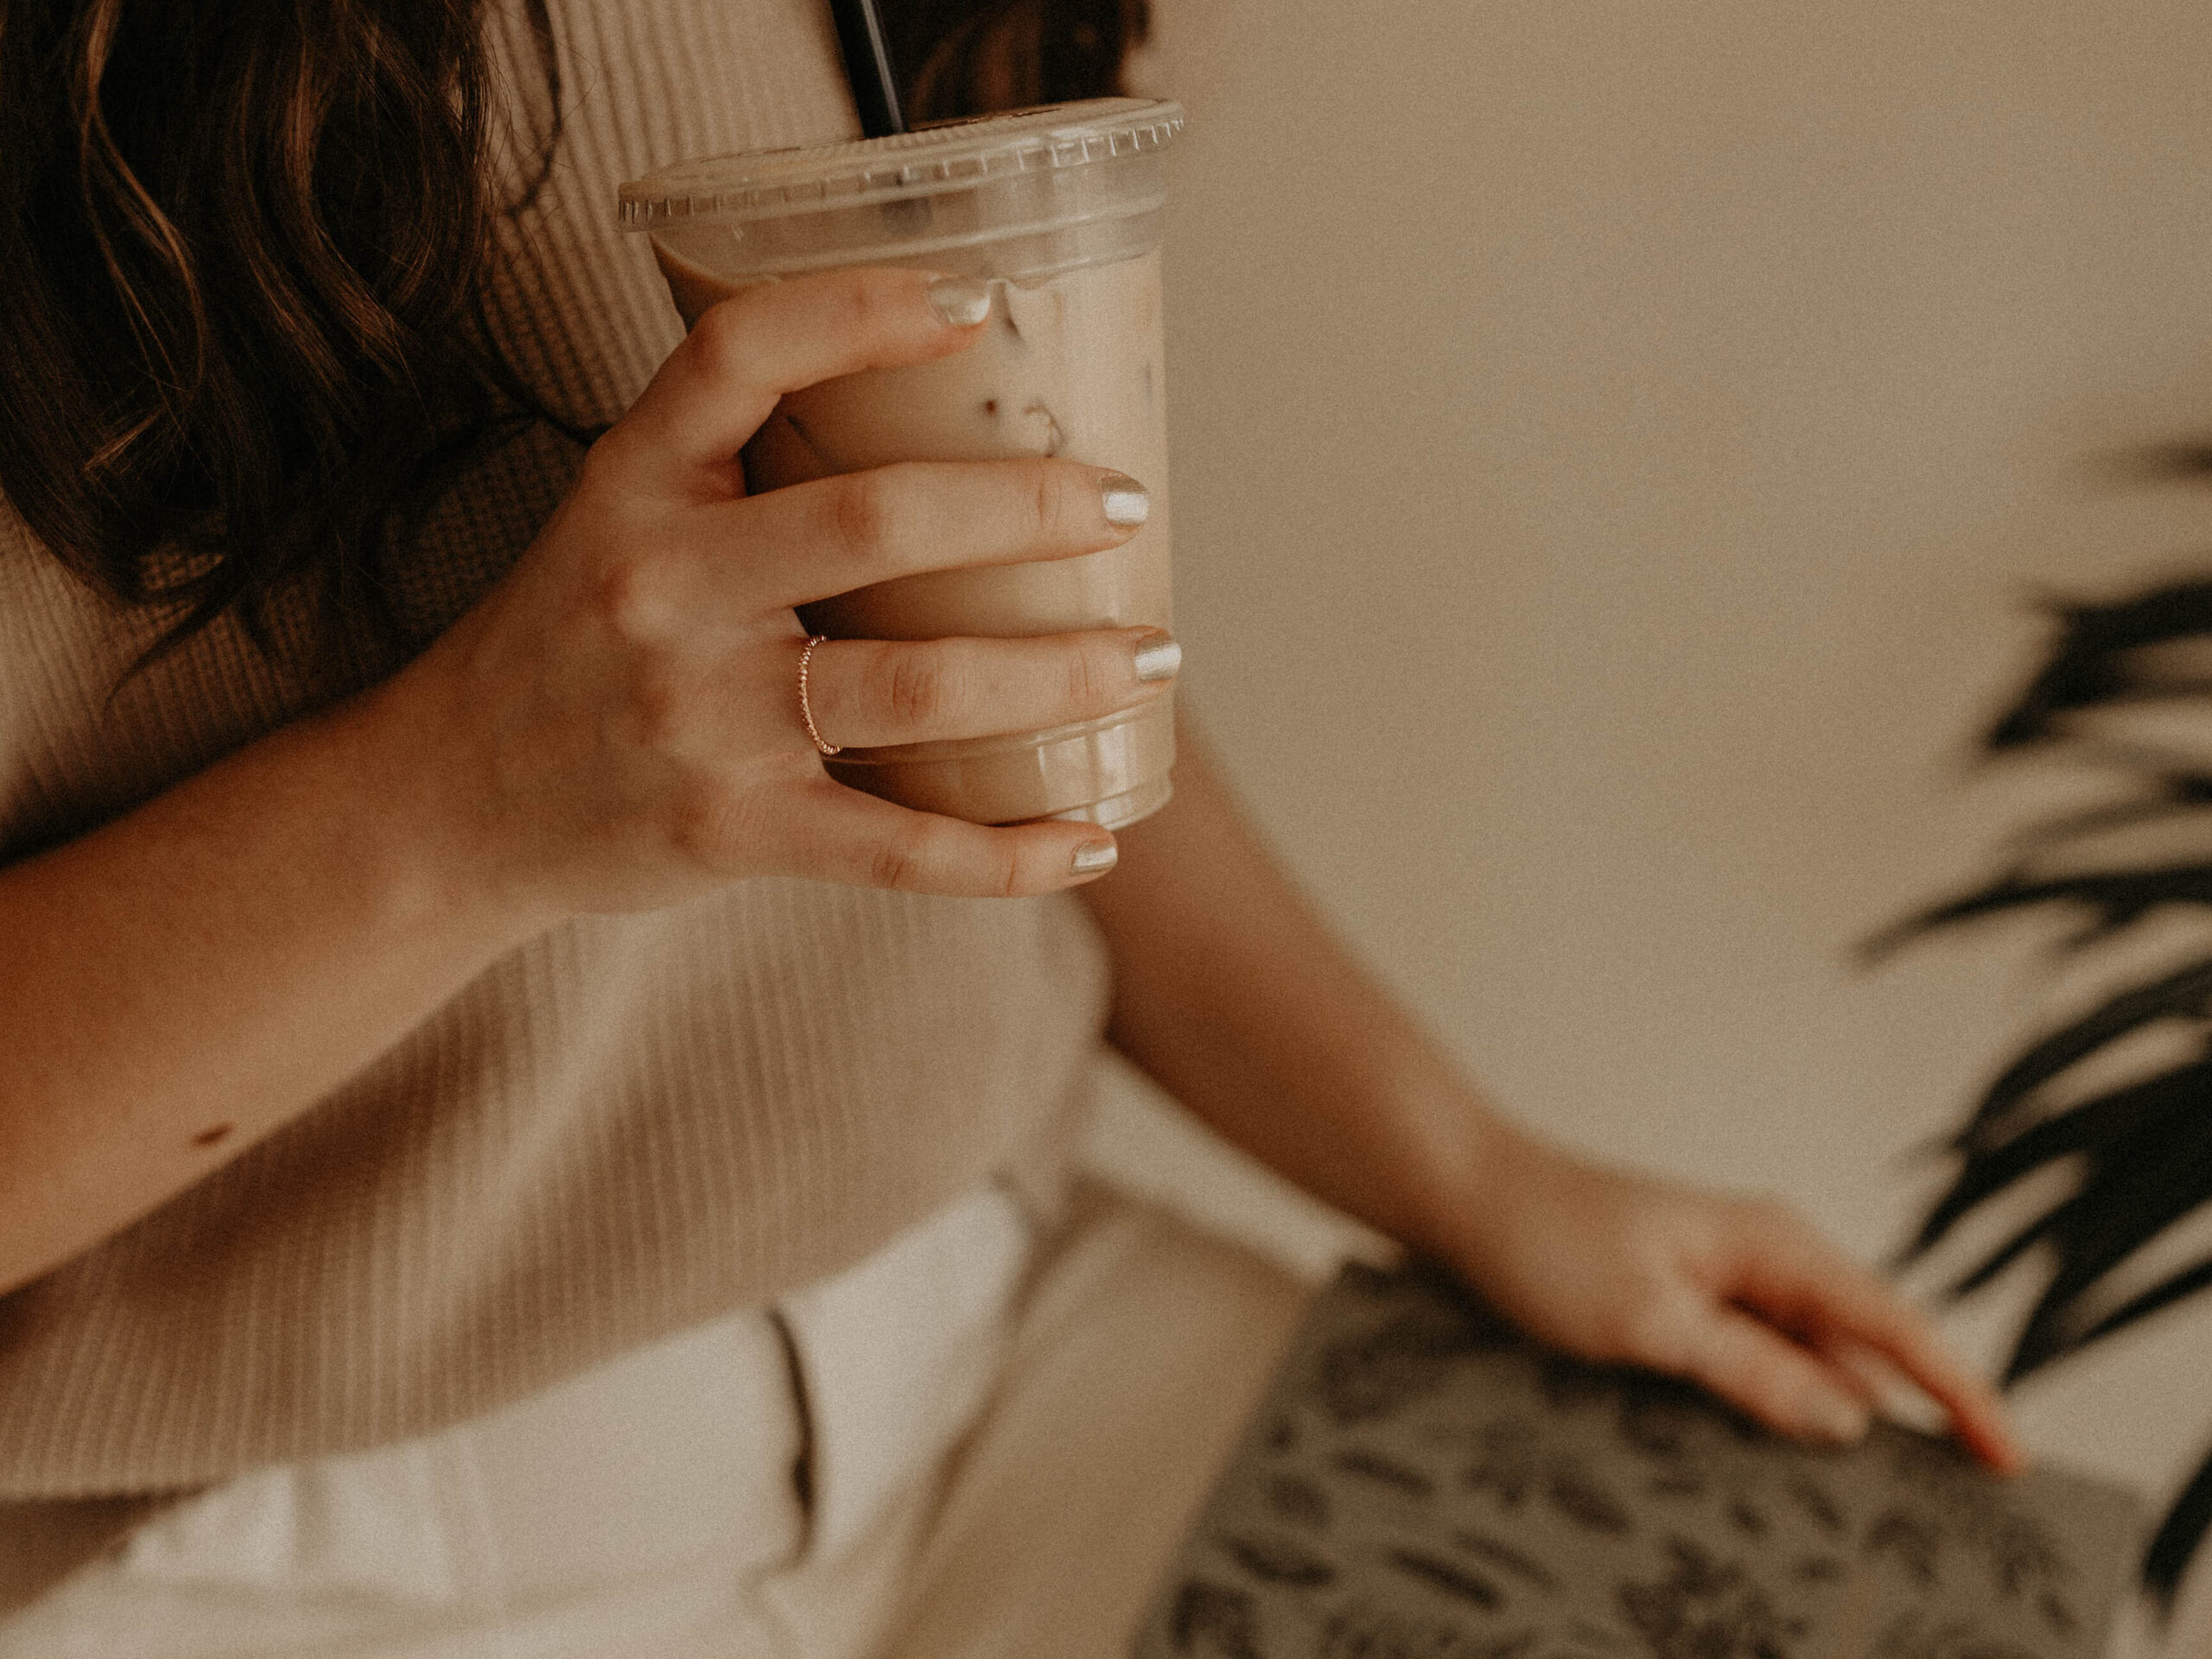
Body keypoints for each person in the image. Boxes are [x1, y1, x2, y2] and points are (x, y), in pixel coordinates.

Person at [0, 0, 2019, 1652]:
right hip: (244, 1544)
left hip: (1000, 1331)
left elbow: (986, 658)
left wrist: (1471, 1171)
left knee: (1915, 1607)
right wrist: (461, 802)